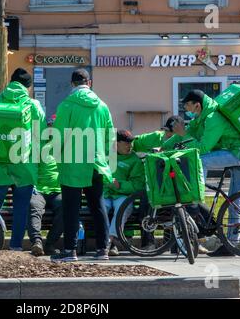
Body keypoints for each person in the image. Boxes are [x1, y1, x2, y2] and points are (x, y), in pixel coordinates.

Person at [165, 89, 240, 257]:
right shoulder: (200, 117)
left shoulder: (213, 118)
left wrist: (184, 133)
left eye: (187, 105)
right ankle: (232, 245)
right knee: (234, 202)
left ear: (197, 105)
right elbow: (187, 135)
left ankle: (197, 195)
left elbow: (202, 148)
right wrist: (164, 147)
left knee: (201, 159)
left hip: (239, 154)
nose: (185, 108)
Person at [51, 69, 115, 262]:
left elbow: (58, 136)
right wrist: (105, 160)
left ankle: (70, 250)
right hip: (96, 163)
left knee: (71, 207)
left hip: (72, 163)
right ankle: (103, 249)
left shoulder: (66, 105)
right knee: (98, 205)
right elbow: (109, 136)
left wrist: (56, 157)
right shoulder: (102, 106)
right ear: (90, 83)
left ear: (72, 84)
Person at [0, 68, 46, 251]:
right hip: (24, 166)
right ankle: (16, 246)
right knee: (20, 208)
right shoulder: (33, 105)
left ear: (10, 82)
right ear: (28, 87)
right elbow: (41, 136)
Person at [104, 130, 154, 256]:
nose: (130, 146)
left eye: (131, 143)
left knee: (123, 208)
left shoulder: (134, 160)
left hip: (122, 195)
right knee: (100, 209)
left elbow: (137, 184)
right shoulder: (105, 155)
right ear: (116, 143)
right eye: (126, 143)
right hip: (104, 194)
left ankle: (108, 241)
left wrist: (119, 185)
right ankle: (109, 244)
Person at [28, 138, 64, 257]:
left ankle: (50, 244)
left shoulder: (65, 146)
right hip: (39, 190)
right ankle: (37, 242)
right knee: (34, 206)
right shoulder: (37, 145)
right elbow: (32, 167)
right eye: (49, 125)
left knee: (65, 207)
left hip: (58, 191)